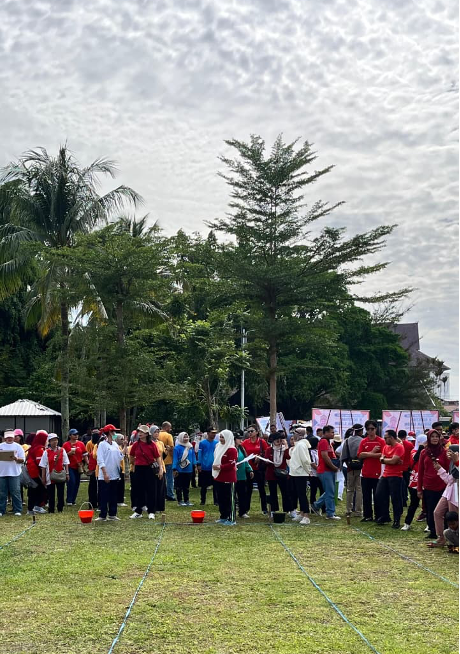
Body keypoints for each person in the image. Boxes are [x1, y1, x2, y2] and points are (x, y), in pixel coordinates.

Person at [417, 429, 450, 540]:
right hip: (428, 486)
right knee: (430, 510)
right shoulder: (424, 452)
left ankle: (444, 531)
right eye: (432, 436)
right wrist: (419, 488)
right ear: (429, 438)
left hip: (442, 486)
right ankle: (433, 531)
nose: (435, 438)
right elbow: (420, 471)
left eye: (437, 436)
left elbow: (448, 470)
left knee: (442, 510)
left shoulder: (444, 452)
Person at [129, 425, 163, 519]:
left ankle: (151, 511)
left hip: (149, 468)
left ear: (147, 434)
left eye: (142, 432)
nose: (140, 434)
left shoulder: (152, 444)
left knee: (151, 490)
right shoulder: (136, 444)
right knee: (139, 490)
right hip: (139, 468)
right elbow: (131, 456)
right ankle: (138, 511)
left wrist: (160, 468)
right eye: (139, 432)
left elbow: (157, 457)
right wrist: (134, 463)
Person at [375, 430, 405, 529]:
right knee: (379, 494)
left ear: (391, 437)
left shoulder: (399, 447)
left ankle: (397, 519)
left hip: (396, 475)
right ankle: (385, 515)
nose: (384, 440)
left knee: (395, 498)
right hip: (386, 474)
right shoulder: (386, 447)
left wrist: (385, 460)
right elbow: (382, 459)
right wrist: (387, 460)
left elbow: (393, 461)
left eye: (386, 438)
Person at [96, 424, 127, 522]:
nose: (115, 433)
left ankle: (112, 514)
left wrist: (125, 445)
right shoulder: (102, 444)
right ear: (109, 432)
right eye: (114, 431)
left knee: (113, 495)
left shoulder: (115, 444)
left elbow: (120, 456)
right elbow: (100, 460)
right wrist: (105, 473)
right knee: (104, 495)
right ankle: (103, 514)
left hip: (114, 474)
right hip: (105, 475)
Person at [358, 421, 386, 522]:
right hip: (365, 473)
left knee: (378, 495)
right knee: (366, 496)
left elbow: (383, 454)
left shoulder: (381, 441)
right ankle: (367, 515)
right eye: (368, 429)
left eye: (372, 429)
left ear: (376, 429)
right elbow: (360, 455)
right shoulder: (363, 441)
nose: (370, 431)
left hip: (378, 473)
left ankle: (378, 515)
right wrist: (372, 452)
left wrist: (367, 454)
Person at [312, 426, 341, 521]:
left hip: (328, 470)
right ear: (326, 433)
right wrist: (333, 467)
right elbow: (325, 456)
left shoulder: (328, 442)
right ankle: (330, 513)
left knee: (330, 491)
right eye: (331, 432)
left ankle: (316, 505)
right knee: (330, 492)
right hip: (325, 470)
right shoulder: (324, 441)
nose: (333, 434)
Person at [429, 459, 459, 548]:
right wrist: (439, 469)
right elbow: (449, 480)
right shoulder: (452, 463)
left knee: (454, 517)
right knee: (437, 512)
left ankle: (455, 539)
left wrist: (440, 469)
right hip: (448, 491)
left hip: (456, 492)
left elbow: (451, 480)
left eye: (451, 452)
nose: (449, 454)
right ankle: (441, 537)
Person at [402, 434, 427, 531]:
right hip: (415, 479)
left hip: (426, 479)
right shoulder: (413, 451)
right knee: (413, 503)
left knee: (428, 504)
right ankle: (407, 523)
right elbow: (414, 461)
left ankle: (430, 524)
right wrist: (421, 449)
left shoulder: (430, 452)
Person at [39, 434, 70, 513]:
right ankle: (51, 508)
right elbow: (43, 465)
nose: (55, 442)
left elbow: (66, 463)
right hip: (50, 475)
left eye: (56, 440)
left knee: (61, 492)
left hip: (60, 474)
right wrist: (43, 477)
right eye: (53, 440)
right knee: (50, 493)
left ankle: (60, 508)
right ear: (49, 442)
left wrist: (67, 473)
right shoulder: (46, 452)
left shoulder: (62, 450)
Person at [242, 426, 269, 515]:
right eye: (248, 431)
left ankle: (264, 509)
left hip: (259, 468)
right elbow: (242, 453)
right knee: (248, 489)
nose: (250, 433)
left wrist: (259, 457)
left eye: (252, 431)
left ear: (257, 432)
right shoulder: (245, 442)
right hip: (249, 469)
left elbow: (266, 453)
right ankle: (246, 509)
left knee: (261, 489)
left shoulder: (262, 442)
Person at [213, 430, 238, 525]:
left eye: (223, 437)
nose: (221, 439)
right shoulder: (218, 446)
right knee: (221, 498)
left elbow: (231, 464)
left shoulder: (232, 449)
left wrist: (220, 467)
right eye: (220, 437)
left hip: (229, 478)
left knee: (229, 499)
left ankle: (232, 519)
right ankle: (223, 516)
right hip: (219, 477)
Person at [288, 427, 312, 525]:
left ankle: (306, 516)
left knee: (302, 495)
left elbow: (305, 460)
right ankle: (302, 513)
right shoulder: (298, 445)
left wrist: (308, 471)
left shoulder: (301, 445)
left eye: (294, 433)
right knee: (298, 493)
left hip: (300, 473)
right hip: (295, 473)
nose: (293, 435)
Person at [265, 430, 291, 516]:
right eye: (277, 441)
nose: (279, 442)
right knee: (273, 493)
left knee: (285, 492)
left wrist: (286, 446)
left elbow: (288, 457)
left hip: (282, 473)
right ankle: (273, 510)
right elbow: (266, 460)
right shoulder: (269, 449)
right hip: (271, 474)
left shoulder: (283, 449)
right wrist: (267, 461)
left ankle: (288, 509)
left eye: (280, 440)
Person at [0, 429, 25, 517]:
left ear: (14, 438)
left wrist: (16, 458)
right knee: (2, 492)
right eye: (8, 437)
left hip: (14, 473)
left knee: (15, 492)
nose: (9, 439)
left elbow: (23, 460)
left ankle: (17, 509)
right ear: (4, 438)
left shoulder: (18, 447)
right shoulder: (0, 446)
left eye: (11, 437)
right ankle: (1, 510)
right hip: (2, 473)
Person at [341, 424, 364, 518]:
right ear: (360, 431)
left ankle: (348, 510)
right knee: (359, 489)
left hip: (350, 467)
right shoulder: (362, 440)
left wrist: (348, 463)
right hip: (360, 467)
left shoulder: (347, 440)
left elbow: (343, 456)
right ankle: (358, 511)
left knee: (350, 489)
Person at [63, 429, 88, 505]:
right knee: (71, 482)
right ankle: (69, 500)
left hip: (78, 466)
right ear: (70, 436)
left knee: (77, 483)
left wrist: (88, 463)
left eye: (77, 434)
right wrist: (68, 453)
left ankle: (73, 500)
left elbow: (84, 454)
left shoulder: (81, 444)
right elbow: (62, 456)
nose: (76, 436)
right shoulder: (66, 444)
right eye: (74, 434)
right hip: (70, 466)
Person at [26, 431, 49, 515]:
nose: (47, 441)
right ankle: (36, 506)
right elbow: (40, 463)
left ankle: (32, 507)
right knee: (40, 489)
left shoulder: (33, 447)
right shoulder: (40, 449)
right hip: (36, 473)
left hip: (31, 472)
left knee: (33, 490)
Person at [173, 432, 196, 507]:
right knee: (179, 486)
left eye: (187, 437)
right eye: (184, 437)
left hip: (189, 469)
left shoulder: (190, 447)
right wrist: (174, 468)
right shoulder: (177, 448)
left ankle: (187, 500)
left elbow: (193, 457)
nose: (186, 439)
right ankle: (180, 500)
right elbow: (175, 458)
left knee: (186, 486)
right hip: (179, 469)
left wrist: (195, 465)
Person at [234, 431, 253, 519]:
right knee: (233, 494)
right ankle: (232, 511)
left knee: (242, 494)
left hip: (242, 475)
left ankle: (242, 511)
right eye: (238, 439)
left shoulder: (241, 448)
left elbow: (245, 460)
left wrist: (250, 470)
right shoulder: (231, 449)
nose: (240, 440)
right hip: (233, 475)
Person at [197, 428, 218, 506]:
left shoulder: (217, 443)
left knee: (215, 485)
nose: (214, 434)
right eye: (212, 433)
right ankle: (203, 500)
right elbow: (200, 454)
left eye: (215, 433)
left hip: (214, 467)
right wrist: (199, 464)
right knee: (203, 486)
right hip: (205, 466)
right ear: (208, 433)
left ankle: (216, 501)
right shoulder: (202, 443)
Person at [150, 425, 167, 514]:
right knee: (153, 487)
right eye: (155, 432)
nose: (156, 434)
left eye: (158, 432)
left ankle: (160, 506)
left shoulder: (160, 443)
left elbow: (162, 454)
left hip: (161, 465)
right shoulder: (149, 443)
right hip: (152, 466)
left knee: (161, 487)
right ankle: (153, 506)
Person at [159, 422, 175, 501]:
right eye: (170, 427)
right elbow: (171, 448)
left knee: (160, 479)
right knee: (170, 479)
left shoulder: (157, 435)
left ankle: (161, 494)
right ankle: (170, 494)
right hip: (168, 460)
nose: (170, 429)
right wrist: (173, 457)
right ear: (166, 427)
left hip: (159, 460)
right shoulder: (168, 435)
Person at [399, 430, 415, 508]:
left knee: (401, 486)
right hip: (408, 467)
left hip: (399, 468)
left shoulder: (397, 445)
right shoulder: (410, 445)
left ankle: (403, 501)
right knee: (409, 485)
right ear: (405, 436)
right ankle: (413, 500)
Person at [86, 430, 100, 509]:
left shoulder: (95, 447)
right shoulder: (97, 447)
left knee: (93, 487)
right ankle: (94, 503)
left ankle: (93, 503)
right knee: (94, 487)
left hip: (93, 468)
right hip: (96, 469)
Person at [308, 437, 323, 506]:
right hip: (313, 475)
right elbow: (312, 464)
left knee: (322, 490)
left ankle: (322, 506)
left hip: (320, 474)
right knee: (313, 491)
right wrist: (319, 469)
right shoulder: (310, 452)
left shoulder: (318, 451)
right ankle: (313, 506)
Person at [116, 434, 128, 507]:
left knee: (121, 485)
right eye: (121, 439)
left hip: (121, 468)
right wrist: (125, 445)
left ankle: (120, 498)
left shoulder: (120, 446)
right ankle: (119, 500)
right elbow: (121, 455)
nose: (123, 441)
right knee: (119, 486)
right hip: (118, 468)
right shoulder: (116, 447)